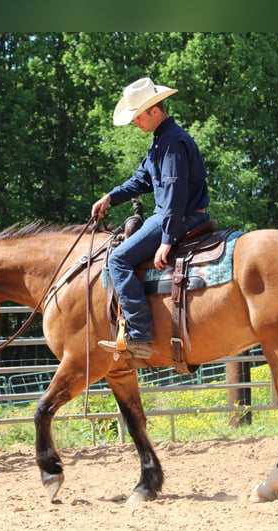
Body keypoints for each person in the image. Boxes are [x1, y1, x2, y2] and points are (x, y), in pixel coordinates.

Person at [92, 77, 210, 359]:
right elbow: (140, 180)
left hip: (179, 217)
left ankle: (140, 334)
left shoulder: (172, 143)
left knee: (117, 260)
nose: (135, 123)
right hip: (173, 214)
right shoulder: (161, 142)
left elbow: (174, 195)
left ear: (154, 110)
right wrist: (111, 196)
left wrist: (168, 240)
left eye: (137, 116)